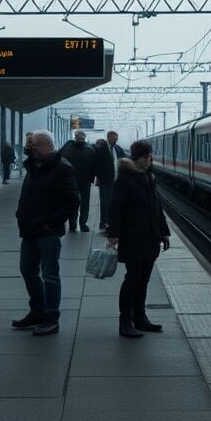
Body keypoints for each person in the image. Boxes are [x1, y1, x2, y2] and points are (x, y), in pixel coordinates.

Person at [13, 130, 78, 337]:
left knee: (50, 275)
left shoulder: (62, 168)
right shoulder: (33, 167)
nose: (32, 150)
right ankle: (37, 311)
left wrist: (51, 223)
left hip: (47, 232)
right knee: (27, 271)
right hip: (29, 230)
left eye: (36, 146)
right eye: (31, 147)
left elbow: (72, 201)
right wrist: (20, 215)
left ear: (49, 147)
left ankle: (52, 318)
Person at [107, 140, 171, 338]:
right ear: (143, 158)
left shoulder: (148, 176)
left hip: (150, 237)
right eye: (149, 156)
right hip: (133, 237)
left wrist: (164, 231)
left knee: (143, 280)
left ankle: (140, 318)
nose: (151, 160)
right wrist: (114, 235)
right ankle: (125, 321)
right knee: (132, 280)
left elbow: (156, 207)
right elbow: (116, 208)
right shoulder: (125, 179)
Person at [59, 130, 97, 232]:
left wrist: (93, 177)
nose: (80, 139)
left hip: (82, 181)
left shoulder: (88, 149)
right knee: (76, 203)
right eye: (79, 137)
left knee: (81, 203)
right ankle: (75, 223)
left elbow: (94, 165)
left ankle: (79, 223)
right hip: (73, 181)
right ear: (75, 137)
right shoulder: (87, 149)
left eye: (82, 138)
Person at [93, 138, 117, 233]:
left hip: (115, 180)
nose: (116, 140)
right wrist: (97, 178)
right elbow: (97, 165)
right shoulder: (101, 150)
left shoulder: (117, 149)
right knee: (104, 202)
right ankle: (104, 222)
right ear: (109, 138)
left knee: (112, 202)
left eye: (116, 138)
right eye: (114, 138)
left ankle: (110, 222)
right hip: (104, 180)